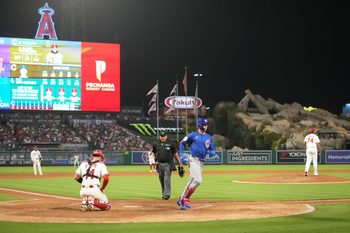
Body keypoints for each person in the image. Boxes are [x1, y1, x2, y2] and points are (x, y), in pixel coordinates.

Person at [177, 117, 216, 210]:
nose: (205, 126)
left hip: (201, 162)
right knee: (198, 180)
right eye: (204, 125)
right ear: (199, 125)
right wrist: (182, 154)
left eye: (206, 125)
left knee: (192, 180)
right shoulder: (192, 135)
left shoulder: (208, 137)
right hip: (193, 159)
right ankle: (186, 198)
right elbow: (182, 143)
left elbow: (212, 148)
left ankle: (181, 199)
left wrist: (213, 152)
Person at [152, 131, 183, 200]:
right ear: (159, 136)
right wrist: (155, 160)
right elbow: (153, 152)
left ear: (166, 136)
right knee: (161, 179)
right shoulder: (155, 143)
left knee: (166, 179)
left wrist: (179, 163)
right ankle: (164, 192)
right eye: (161, 136)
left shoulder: (171, 143)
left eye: (163, 136)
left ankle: (167, 194)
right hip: (159, 164)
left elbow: (175, 153)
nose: (162, 137)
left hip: (168, 164)